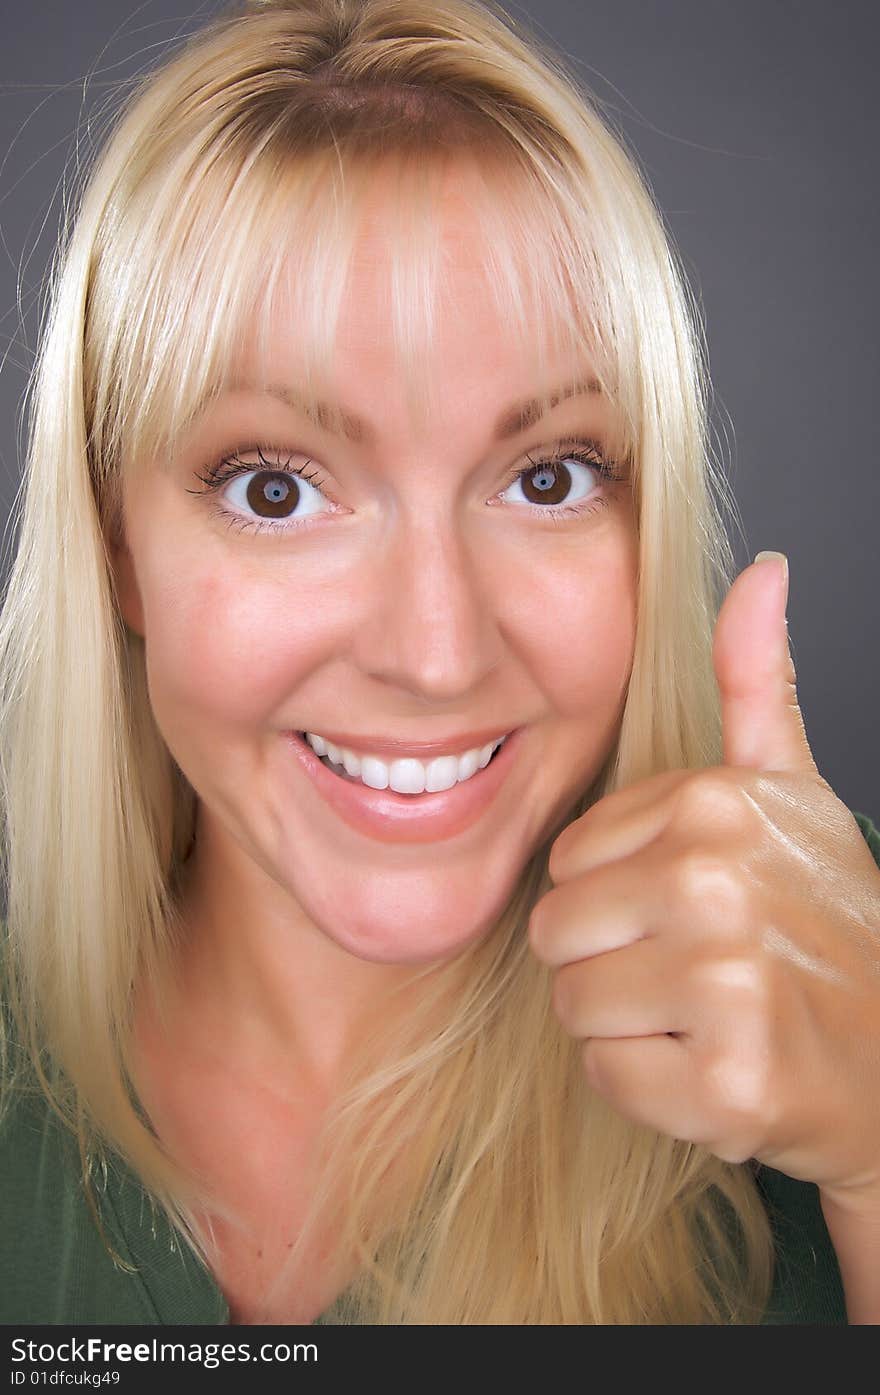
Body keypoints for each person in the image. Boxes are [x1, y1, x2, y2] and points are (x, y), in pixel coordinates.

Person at [1, 0, 879, 1327]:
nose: (435, 652)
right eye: (277, 491)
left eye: (548, 476)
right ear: (117, 544)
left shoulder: (853, 968)